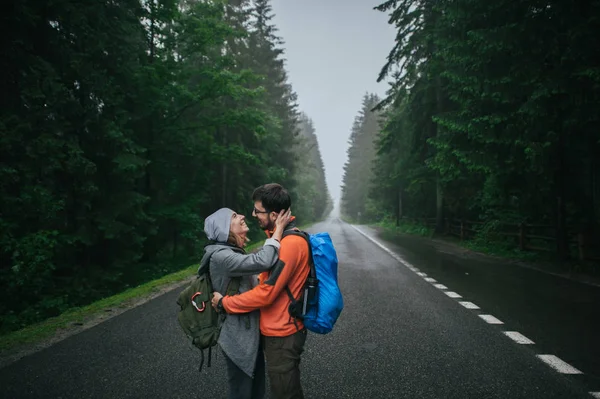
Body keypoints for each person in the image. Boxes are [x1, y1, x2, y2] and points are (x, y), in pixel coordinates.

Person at [212, 184, 311, 399]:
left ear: (274, 215)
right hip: (275, 330)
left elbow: (267, 293)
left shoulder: (290, 244)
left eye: (258, 210)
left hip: (283, 332)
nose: (253, 214)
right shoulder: (280, 240)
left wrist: (224, 303)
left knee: (286, 393)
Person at [201, 206, 291, 399]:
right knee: (242, 391)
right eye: (234, 216)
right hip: (238, 336)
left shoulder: (231, 251)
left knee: (255, 389)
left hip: (248, 332)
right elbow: (262, 260)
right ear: (223, 227)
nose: (242, 216)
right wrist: (278, 230)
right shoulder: (221, 256)